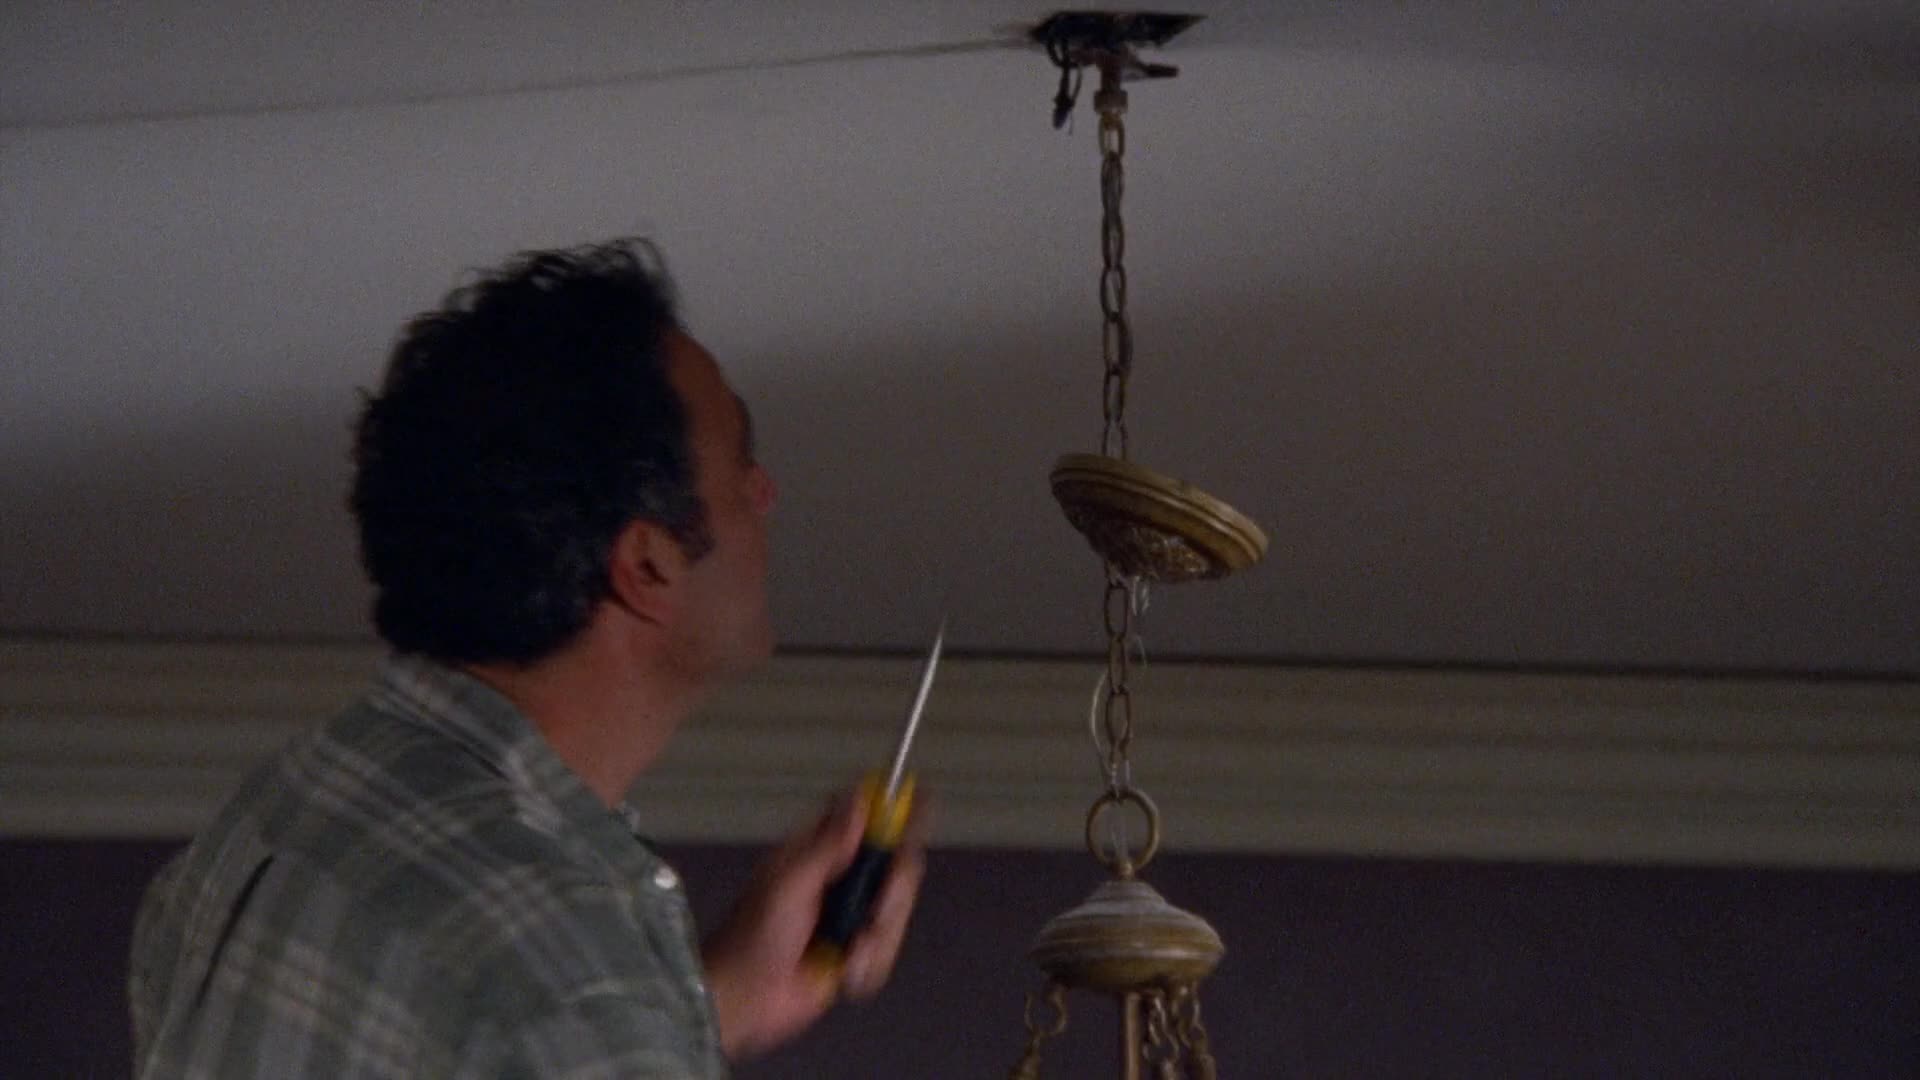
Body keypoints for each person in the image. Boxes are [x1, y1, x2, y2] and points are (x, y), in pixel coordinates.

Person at [127, 239, 928, 1077]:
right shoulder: (566, 980)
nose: (766, 492)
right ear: (647, 566)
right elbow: (546, 1018)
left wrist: (712, 1003)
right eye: (739, 465)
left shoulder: (286, 814)